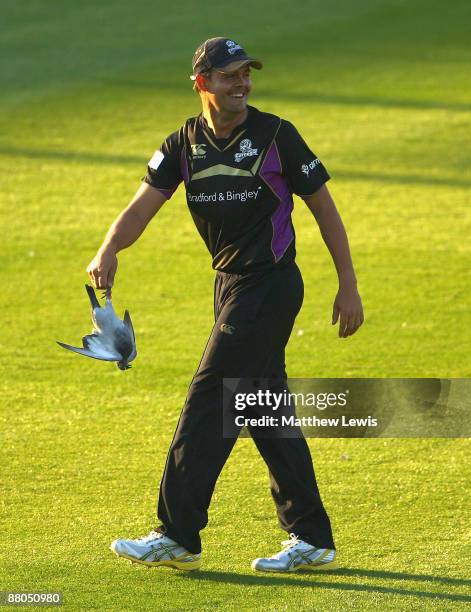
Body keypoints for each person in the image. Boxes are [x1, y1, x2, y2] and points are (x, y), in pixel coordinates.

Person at [87, 37, 364, 573]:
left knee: (210, 399)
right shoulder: (181, 145)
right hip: (230, 286)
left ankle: (177, 534)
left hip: (271, 284)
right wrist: (109, 248)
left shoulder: (276, 135)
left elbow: (324, 208)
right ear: (202, 83)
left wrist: (347, 283)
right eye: (230, 75)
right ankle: (312, 537)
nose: (242, 84)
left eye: (246, 74)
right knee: (263, 407)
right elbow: (142, 205)